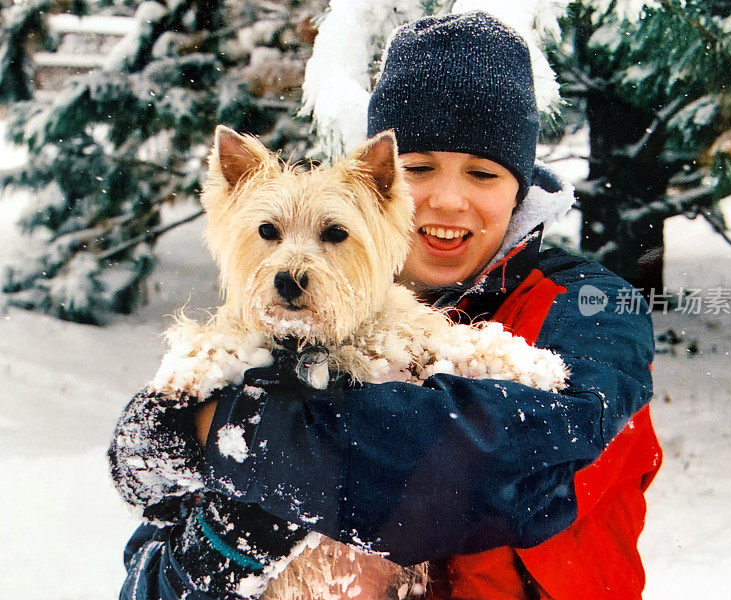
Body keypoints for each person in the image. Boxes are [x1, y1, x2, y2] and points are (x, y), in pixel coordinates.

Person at [111, 11, 662, 600]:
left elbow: (502, 466)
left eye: (483, 173)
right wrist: (223, 546)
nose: (449, 201)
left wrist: (217, 431)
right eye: (419, 168)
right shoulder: (281, 329)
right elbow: (148, 582)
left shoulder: (595, 310)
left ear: (521, 187)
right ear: (381, 187)